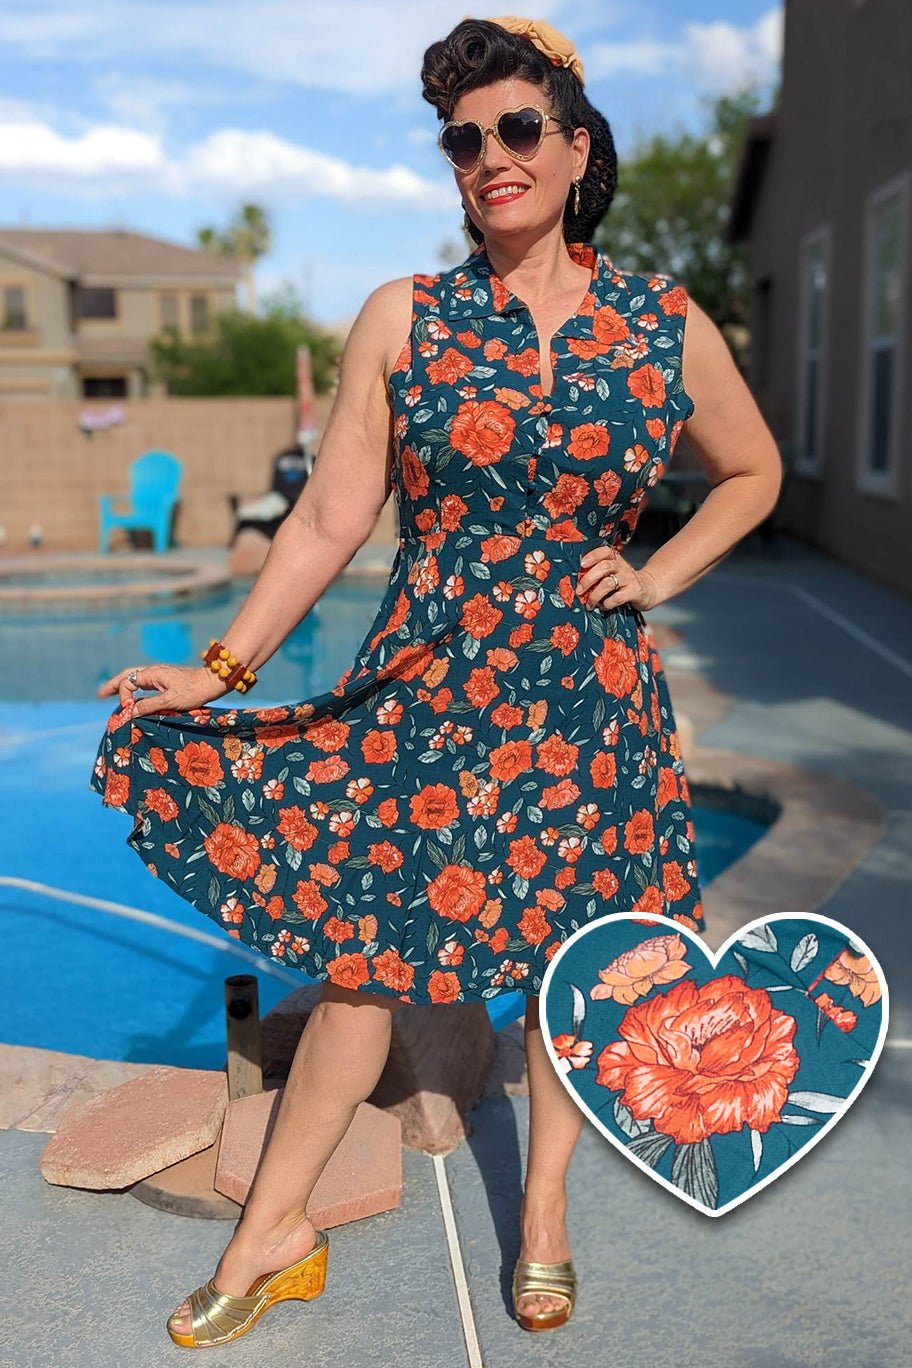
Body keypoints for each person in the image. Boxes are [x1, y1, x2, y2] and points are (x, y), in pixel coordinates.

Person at [90, 14, 783, 1348]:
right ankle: (274, 1231)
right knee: (367, 962)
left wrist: (662, 573)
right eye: (464, 140)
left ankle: (543, 1221)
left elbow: (752, 472)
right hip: (433, 691)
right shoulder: (405, 318)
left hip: (590, 703)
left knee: (575, 969)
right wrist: (219, 665)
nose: (489, 156)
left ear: (578, 151)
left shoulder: (663, 323)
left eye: (520, 129)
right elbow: (325, 519)